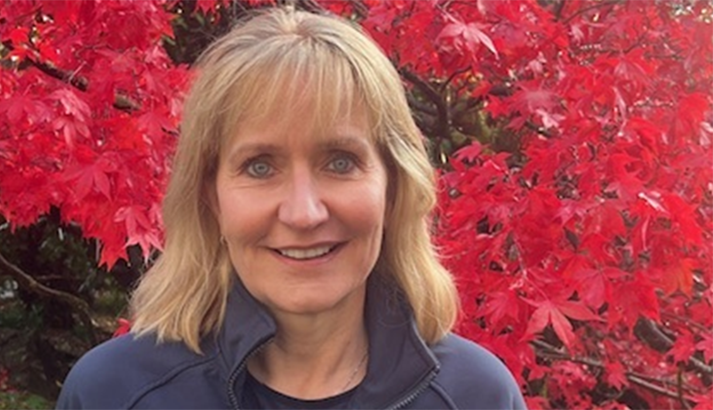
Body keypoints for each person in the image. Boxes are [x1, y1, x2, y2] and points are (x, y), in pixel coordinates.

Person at [56, 7, 527, 410]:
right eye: (260, 167)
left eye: (340, 162)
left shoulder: (475, 396)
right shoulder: (114, 394)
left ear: (394, 187)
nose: (304, 214)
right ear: (210, 198)